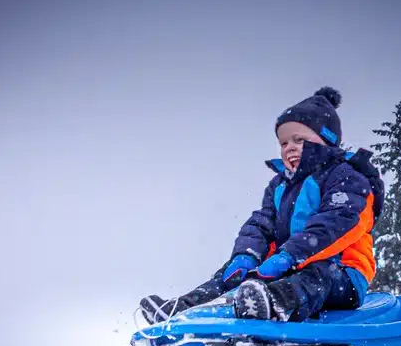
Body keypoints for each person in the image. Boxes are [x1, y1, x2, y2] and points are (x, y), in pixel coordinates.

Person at [140, 86, 384, 324]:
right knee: (234, 274)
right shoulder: (280, 185)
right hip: (289, 270)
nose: (289, 147)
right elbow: (261, 224)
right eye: (284, 142)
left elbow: (339, 223)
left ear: (326, 141)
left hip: (343, 273)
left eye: (299, 139)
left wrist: (290, 256)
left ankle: (272, 304)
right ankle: (183, 310)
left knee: (319, 274)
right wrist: (246, 256)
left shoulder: (346, 177)